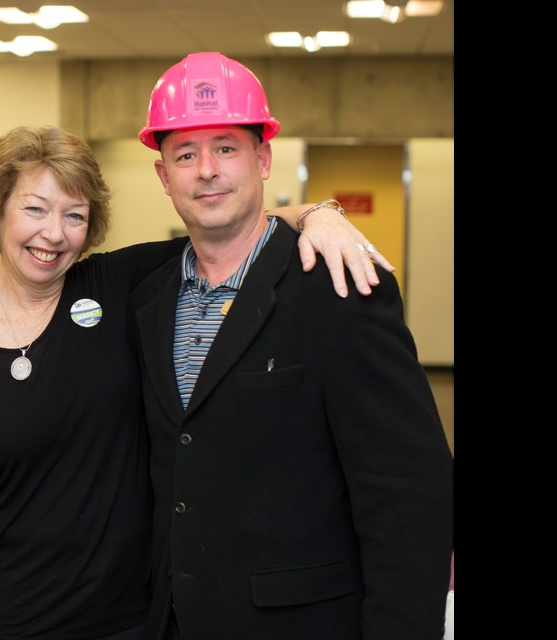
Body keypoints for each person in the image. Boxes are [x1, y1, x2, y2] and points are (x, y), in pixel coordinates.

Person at [0, 124, 392, 640]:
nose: (54, 233)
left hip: (145, 616)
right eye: (34, 209)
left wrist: (320, 214)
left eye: (75, 215)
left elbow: (229, 227)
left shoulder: (115, 286)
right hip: (23, 619)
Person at [128, 52, 453, 639]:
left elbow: (408, 501)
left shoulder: (341, 288)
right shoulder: (148, 297)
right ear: (163, 176)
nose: (207, 170)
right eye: (185, 154)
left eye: (226, 147)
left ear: (264, 157)